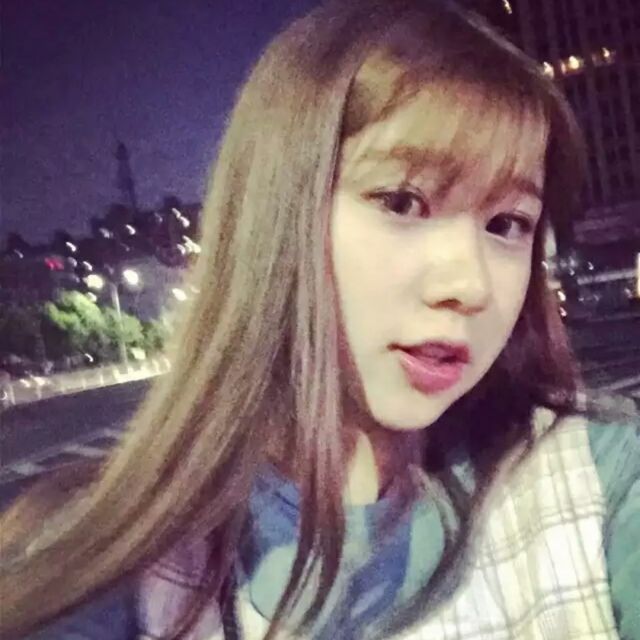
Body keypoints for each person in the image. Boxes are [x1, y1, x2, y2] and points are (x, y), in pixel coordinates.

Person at [2, 1, 639, 638]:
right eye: (402, 201)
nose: (470, 286)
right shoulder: (127, 572)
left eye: (507, 223)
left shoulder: (592, 480)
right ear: (278, 215)